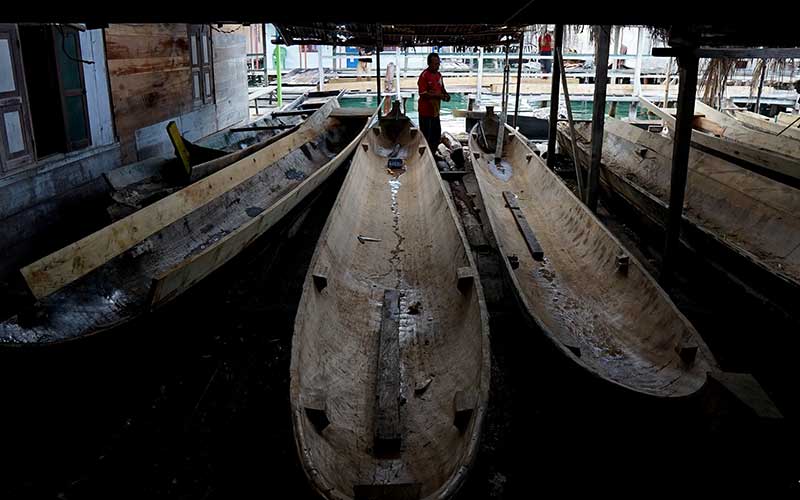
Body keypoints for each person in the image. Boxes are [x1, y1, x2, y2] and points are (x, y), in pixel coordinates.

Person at [417, 52, 450, 148]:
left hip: (435, 111)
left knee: (436, 135)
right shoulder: (424, 76)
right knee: (426, 136)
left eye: (438, 63)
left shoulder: (439, 75)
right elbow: (422, 94)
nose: (438, 66)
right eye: (435, 64)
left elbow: (442, 88)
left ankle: (433, 154)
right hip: (425, 112)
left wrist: (446, 95)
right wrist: (438, 96)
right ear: (429, 64)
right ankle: (426, 155)